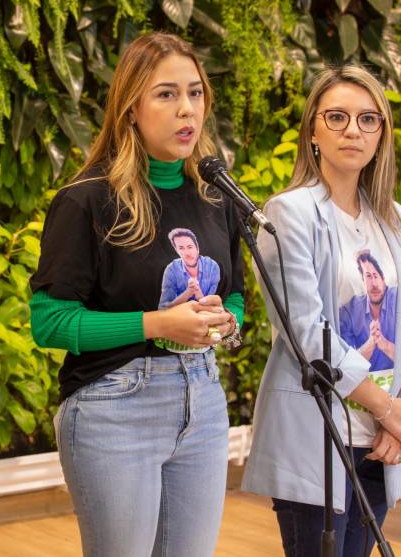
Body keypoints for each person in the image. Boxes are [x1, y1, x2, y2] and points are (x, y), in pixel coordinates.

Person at [29, 32, 245, 556]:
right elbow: (50, 323)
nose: (186, 109)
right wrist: (157, 324)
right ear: (131, 109)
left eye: (195, 93)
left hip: (203, 402)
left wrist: (225, 322)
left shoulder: (217, 197)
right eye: (166, 94)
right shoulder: (87, 201)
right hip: (114, 408)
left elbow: (235, 295)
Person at [241, 65, 401, 557]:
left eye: (368, 119)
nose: (354, 130)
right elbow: (306, 331)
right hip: (320, 428)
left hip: (384, 434)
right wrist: (386, 408)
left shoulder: (392, 217)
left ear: (381, 135)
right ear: (313, 132)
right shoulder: (289, 213)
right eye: (338, 117)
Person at [159, 227, 221, 309]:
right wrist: (188, 293)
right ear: (176, 250)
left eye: (190, 247)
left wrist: (197, 292)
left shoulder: (212, 267)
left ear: (197, 247)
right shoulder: (171, 270)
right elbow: (163, 309)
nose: (187, 253)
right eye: (181, 248)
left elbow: (211, 306)